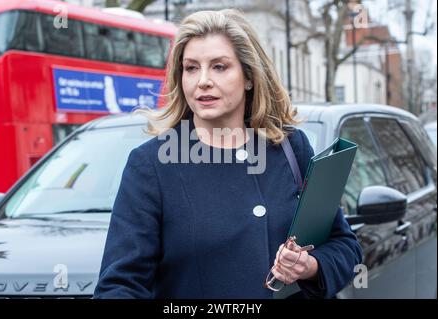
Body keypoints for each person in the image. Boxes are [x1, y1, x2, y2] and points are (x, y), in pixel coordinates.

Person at [93, 9, 362, 299]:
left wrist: (309, 266)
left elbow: (344, 245)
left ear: (248, 76)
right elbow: (119, 285)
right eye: (191, 68)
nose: (203, 81)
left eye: (219, 67)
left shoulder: (289, 146)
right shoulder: (152, 164)